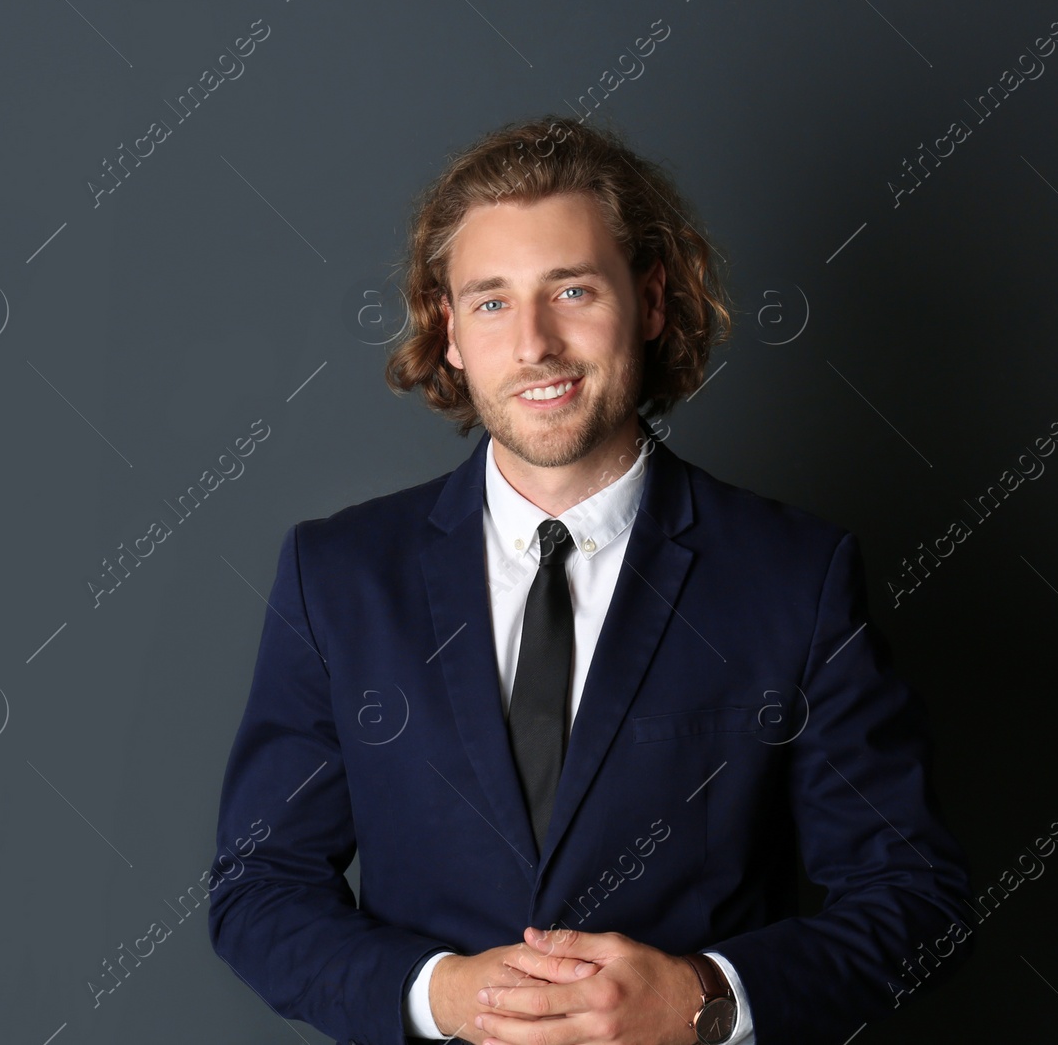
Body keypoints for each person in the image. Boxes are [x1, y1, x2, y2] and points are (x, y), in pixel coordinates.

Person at [207, 115, 972, 1045]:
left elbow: (918, 897)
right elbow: (258, 887)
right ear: (448, 331)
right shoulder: (336, 577)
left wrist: (704, 996)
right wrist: (441, 995)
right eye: (491, 301)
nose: (535, 342)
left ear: (649, 302)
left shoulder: (795, 577)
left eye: (572, 289)